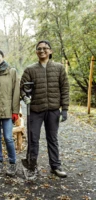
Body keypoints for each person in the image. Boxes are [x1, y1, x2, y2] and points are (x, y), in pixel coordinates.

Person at [20, 40, 69, 179]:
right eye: (39, 49)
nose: (42, 51)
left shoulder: (59, 68)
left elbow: (65, 89)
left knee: (52, 139)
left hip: (53, 110)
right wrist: (25, 97)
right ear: (36, 52)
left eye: (45, 48)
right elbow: (22, 88)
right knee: (33, 139)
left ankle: (55, 166)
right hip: (35, 109)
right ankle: (31, 166)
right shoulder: (30, 69)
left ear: (50, 51)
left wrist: (64, 109)